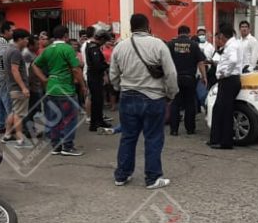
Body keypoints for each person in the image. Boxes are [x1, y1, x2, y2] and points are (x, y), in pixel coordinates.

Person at [110, 13, 179, 189]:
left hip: (127, 97)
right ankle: (153, 178)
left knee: (128, 137)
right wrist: (171, 94)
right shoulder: (158, 45)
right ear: (148, 26)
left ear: (131, 27)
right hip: (153, 98)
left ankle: (122, 175)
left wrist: (120, 88)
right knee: (153, 138)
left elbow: (113, 75)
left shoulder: (120, 47)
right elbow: (171, 74)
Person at [32, 26, 89, 156]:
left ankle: (56, 146)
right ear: (66, 36)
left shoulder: (47, 50)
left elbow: (35, 65)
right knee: (69, 118)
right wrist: (83, 85)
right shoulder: (67, 49)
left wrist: (44, 79)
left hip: (51, 88)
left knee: (54, 118)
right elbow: (76, 69)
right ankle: (67, 146)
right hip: (65, 89)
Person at [167, 24, 206, 136]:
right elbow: (200, 62)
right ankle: (190, 129)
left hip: (175, 78)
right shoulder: (193, 45)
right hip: (190, 79)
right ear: (189, 34)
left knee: (175, 104)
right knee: (190, 104)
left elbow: (165, 62)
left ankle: (174, 130)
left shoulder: (171, 44)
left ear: (178, 33)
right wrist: (204, 77)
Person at [208, 24, 243, 150]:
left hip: (229, 80)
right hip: (229, 80)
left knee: (225, 111)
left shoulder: (232, 46)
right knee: (219, 109)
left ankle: (225, 142)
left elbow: (233, 61)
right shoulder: (232, 44)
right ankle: (216, 138)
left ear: (222, 35)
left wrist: (225, 73)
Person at [3, 29, 33, 148]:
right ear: (20, 39)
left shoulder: (8, 50)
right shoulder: (15, 52)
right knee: (19, 114)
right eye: (26, 39)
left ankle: (7, 134)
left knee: (15, 111)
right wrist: (23, 87)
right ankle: (20, 139)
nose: (27, 41)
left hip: (11, 86)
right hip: (17, 87)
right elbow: (14, 70)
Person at [85, 28, 114, 134]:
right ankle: (95, 123)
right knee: (97, 101)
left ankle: (98, 121)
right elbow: (97, 65)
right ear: (101, 39)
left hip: (95, 76)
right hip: (94, 77)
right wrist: (107, 65)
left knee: (98, 100)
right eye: (104, 40)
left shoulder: (92, 46)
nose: (104, 43)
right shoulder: (94, 48)